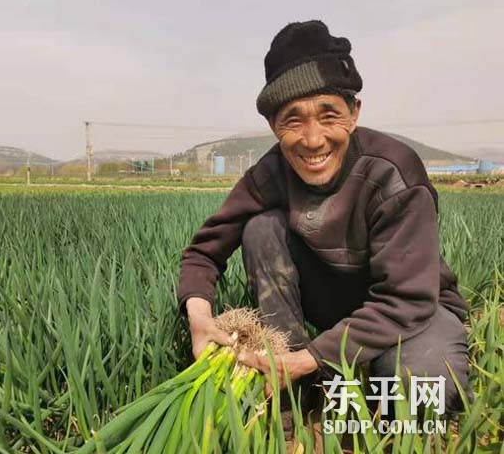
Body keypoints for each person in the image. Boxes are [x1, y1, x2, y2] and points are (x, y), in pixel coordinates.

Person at [177, 20, 472, 414]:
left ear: (354, 113)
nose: (313, 140)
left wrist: (310, 358)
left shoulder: (392, 172)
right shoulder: (269, 174)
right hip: (336, 308)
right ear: (273, 126)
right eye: (293, 120)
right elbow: (203, 252)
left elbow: (407, 300)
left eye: (329, 115)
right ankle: (296, 394)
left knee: (422, 387)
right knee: (261, 229)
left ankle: (316, 369)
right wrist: (199, 316)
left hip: (412, 311)